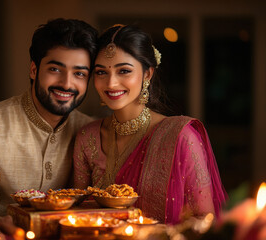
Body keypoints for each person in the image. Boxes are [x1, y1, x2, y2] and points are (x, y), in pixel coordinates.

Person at [0, 18, 98, 233]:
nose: (67, 83)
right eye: (55, 69)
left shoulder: (91, 132)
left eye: (79, 74)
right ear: (33, 70)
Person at [73, 24, 227, 224]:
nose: (111, 83)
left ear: (147, 74)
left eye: (124, 71)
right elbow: (77, 213)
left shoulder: (180, 136)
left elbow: (206, 220)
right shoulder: (88, 137)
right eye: (101, 72)